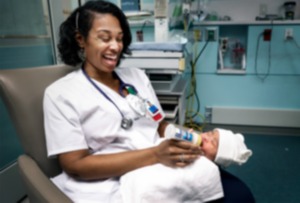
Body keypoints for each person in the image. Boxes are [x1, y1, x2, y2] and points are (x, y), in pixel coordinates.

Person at [43, 1, 255, 202]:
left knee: (240, 195)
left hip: (161, 161)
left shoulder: (136, 77)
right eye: (104, 38)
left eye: (119, 38)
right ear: (81, 39)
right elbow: (76, 165)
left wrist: (198, 139)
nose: (115, 47)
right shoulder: (61, 94)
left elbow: (160, 125)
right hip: (109, 179)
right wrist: (155, 155)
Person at [120, 127, 253, 203]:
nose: (207, 137)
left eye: (213, 143)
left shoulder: (206, 167)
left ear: (216, 159)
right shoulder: (192, 143)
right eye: (210, 133)